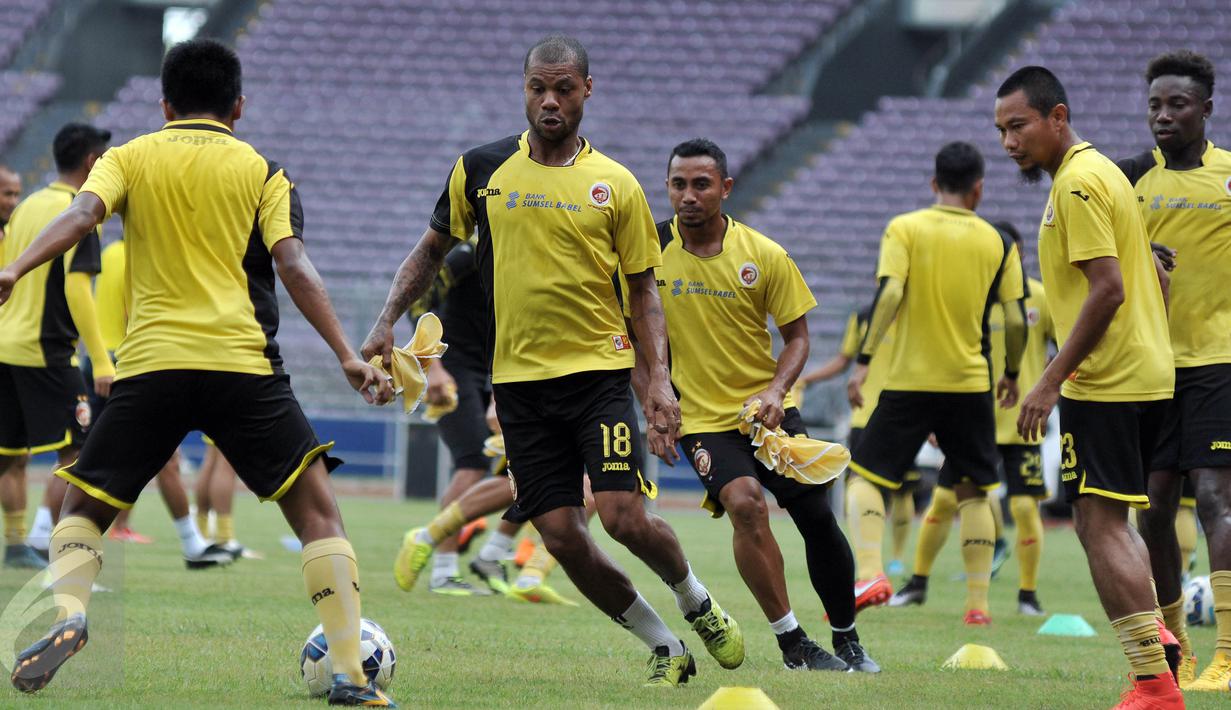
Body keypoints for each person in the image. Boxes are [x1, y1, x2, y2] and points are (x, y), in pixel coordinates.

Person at [0, 39, 396, 706]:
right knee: (318, 516)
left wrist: (13, 267)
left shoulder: (128, 156)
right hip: (241, 363)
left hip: (152, 364)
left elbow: (80, 215)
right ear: (238, 105)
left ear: (163, 104)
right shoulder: (264, 170)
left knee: (81, 510)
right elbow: (294, 266)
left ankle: (70, 613)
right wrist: (347, 356)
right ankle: (351, 675)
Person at [362, 34, 741, 687]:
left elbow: (644, 292)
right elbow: (429, 250)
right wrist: (383, 321)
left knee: (622, 517)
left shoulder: (615, 185)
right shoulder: (479, 169)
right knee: (562, 536)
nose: (549, 101)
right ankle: (664, 645)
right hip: (519, 387)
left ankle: (695, 601)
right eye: (538, 87)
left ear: (585, 91)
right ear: (524, 88)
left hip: (598, 377)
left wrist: (658, 389)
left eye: (563, 88)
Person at [647, 137, 878, 672]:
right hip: (701, 421)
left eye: (701, 184)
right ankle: (793, 644)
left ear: (725, 188)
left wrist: (776, 391)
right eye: (678, 184)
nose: (688, 195)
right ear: (668, 187)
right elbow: (636, 338)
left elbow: (797, 337)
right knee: (745, 503)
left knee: (817, 516)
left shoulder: (764, 255)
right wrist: (653, 407)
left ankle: (846, 638)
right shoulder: (647, 254)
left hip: (767, 414)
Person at [994, 65, 1182, 709]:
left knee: (1096, 522)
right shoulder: (1103, 174)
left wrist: (1047, 383)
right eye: (1001, 131)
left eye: (1019, 126)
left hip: (1107, 380)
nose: (1009, 142)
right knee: (1115, 519)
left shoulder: (1077, 185)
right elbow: (1153, 277)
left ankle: (1154, 684)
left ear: (1058, 117)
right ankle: (1158, 636)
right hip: (1146, 371)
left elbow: (1108, 288)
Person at [846, 141, 1027, 627]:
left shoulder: (905, 227)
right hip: (970, 384)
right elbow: (1014, 316)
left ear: (933, 184)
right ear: (979, 189)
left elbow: (891, 293)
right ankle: (978, 606)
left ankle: (869, 572)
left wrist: (864, 361)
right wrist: (1011, 373)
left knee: (864, 479)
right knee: (974, 491)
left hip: (910, 381)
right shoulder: (999, 241)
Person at [1119, 50, 1231, 693]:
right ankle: (1178, 651)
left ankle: (1229, 655)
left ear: (1206, 110)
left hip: (1217, 363)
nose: (1163, 115)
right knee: (1153, 512)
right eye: (1156, 104)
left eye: (1177, 104)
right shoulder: (1130, 178)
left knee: (1216, 499)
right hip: (1152, 367)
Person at [891, 222, 1054, 616]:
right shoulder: (970, 296)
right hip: (972, 420)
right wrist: (936, 414)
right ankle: (917, 583)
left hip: (1022, 423)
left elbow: (1065, 348)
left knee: (1024, 509)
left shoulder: (1040, 298)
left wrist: (1051, 393)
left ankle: (1027, 596)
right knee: (944, 502)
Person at [0, 124, 113, 570]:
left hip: (6, 345)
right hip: (46, 350)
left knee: (10, 456)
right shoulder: (78, 211)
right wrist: (100, 359)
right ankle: (50, 545)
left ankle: (14, 544)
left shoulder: (27, 206)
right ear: (91, 162)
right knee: (78, 452)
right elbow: (78, 289)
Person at [80, 236, 232, 567]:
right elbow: (134, 309)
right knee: (159, 457)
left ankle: (184, 540)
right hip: (129, 359)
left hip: (102, 359)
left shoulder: (109, 253)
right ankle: (191, 542)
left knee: (100, 455)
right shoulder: (139, 255)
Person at [393, 238, 510, 596]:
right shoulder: (466, 256)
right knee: (472, 461)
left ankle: (494, 555)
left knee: (518, 468)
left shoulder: (514, 254)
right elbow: (420, 305)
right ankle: (442, 571)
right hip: (454, 368)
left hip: (495, 372)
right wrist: (435, 368)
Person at [800, 307, 920, 583]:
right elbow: (844, 360)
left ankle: (896, 560)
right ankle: (867, 559)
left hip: (904, 413)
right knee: (861, 483)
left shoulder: (918, 312)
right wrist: (807, 378)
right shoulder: (864, 317)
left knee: (902, 490)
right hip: (864, 415)